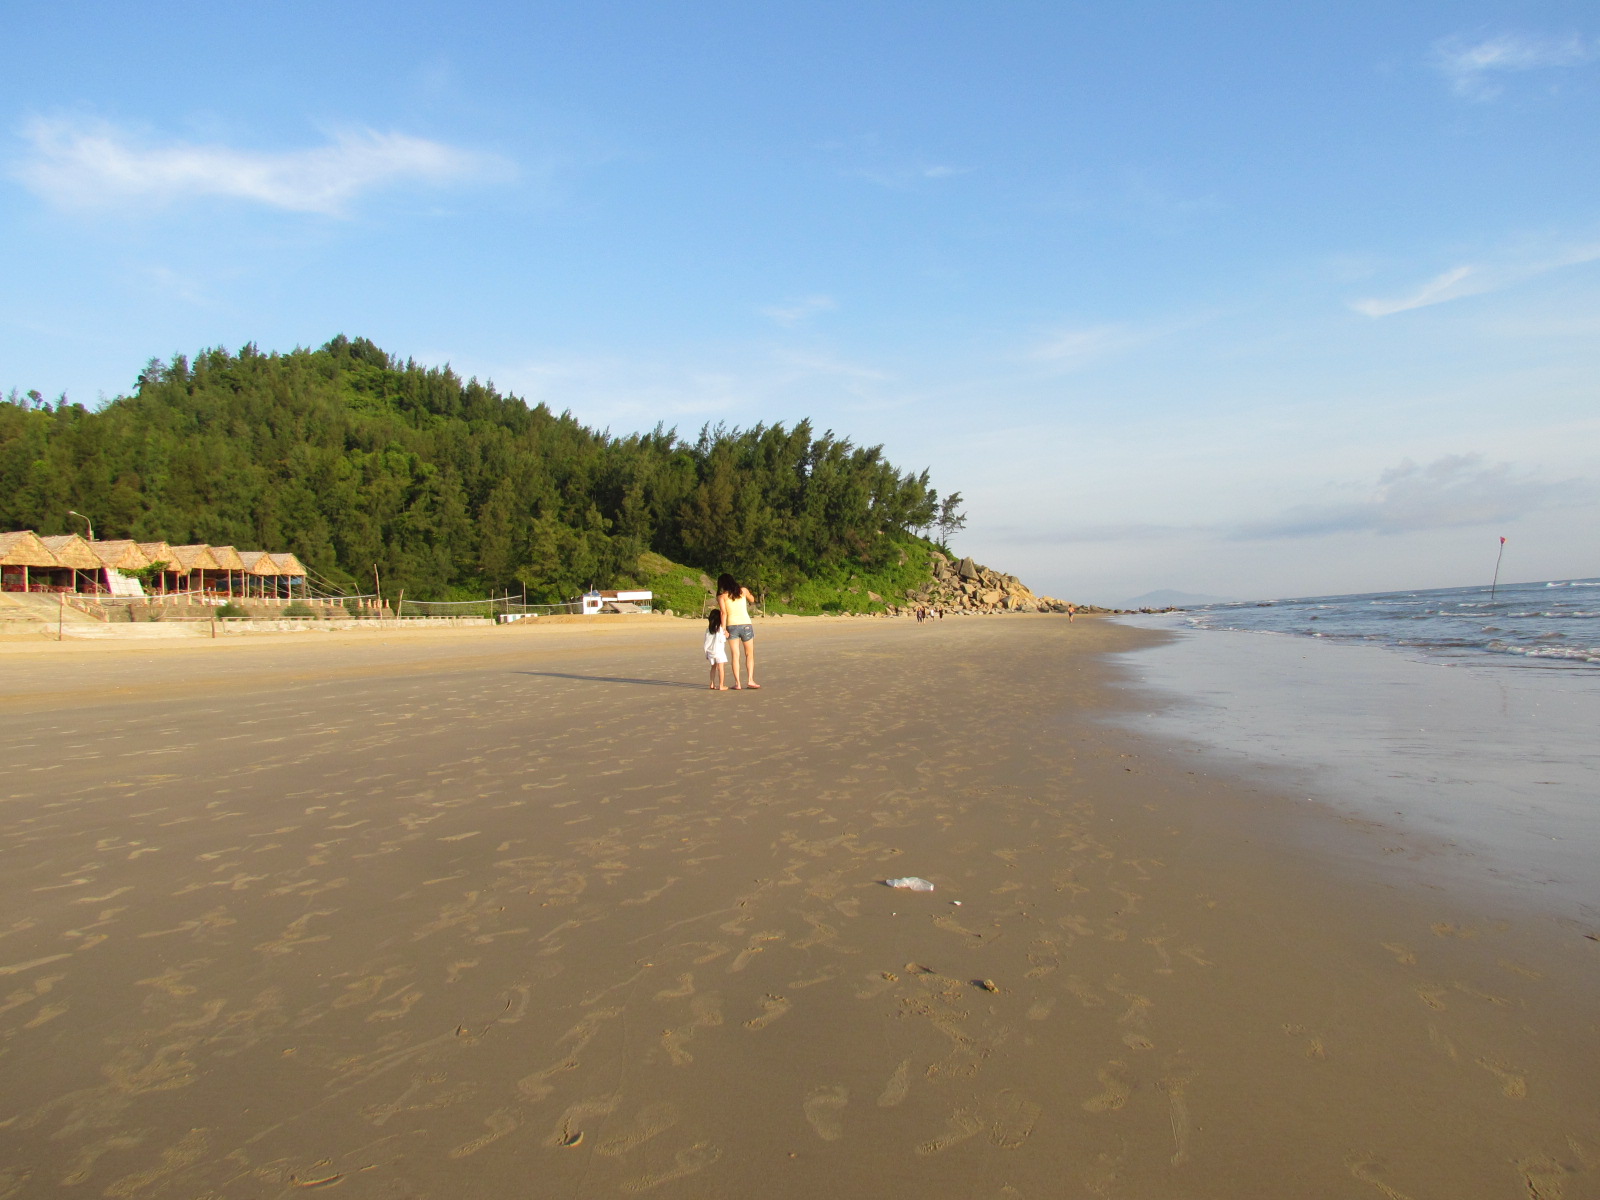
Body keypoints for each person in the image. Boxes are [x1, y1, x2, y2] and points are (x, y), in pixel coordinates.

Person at [716, 572, 759, 689]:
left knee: (735, 655)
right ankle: (750, 680)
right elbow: (752, 599)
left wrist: (723, 629)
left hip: (731, 626)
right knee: (749, 654)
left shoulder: (722, 597)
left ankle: (738, 683)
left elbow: (723, 613)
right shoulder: (743, 591)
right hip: (746, 624)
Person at [704, 608, 729, 690]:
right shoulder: (720, 629)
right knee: (721, 668)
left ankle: (712, 683)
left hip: (710, 651)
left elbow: (706, 642)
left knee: (713, 667)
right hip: (719, 651)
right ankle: (721, 685)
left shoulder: (708, 630)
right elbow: (722, 640)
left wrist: (706, 652)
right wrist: (726, 635)